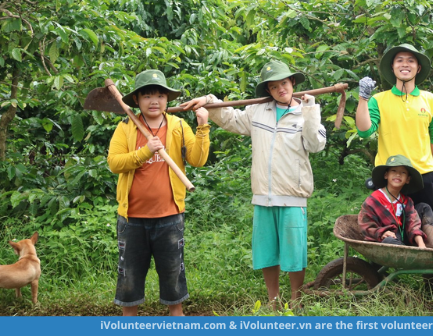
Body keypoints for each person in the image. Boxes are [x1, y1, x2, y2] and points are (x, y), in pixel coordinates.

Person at [180, 60, 326, 308]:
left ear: (292, 84)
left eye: (284, 83)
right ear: (268, 90)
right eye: (274, 86)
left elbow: (316, 145)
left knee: (294, 253)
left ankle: (296, 300)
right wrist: (208, 100)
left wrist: (311, 110)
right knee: (267, 252)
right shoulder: (259, 111)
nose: (280, 89)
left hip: (292, 194)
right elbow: (231, 119)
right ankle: (273, 300)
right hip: (263, 194)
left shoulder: (306, 112)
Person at [107, 69, 210, 316]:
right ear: (137, 101)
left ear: (167, 100)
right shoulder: (126, 128)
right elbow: (114, 163)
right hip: (132, 220)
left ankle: (177, 320)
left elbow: (197, 160)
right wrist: (145, 151)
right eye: (147, 96)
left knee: (174, 279)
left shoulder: (178, 125)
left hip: (170, 217)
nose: (154, 101)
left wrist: (203, 126)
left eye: (160, 96)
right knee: (129, 280)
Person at [356, 44, 433, 250]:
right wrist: (362, 99)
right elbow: (365, 131)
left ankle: (430, 279)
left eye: (411, 60)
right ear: (392, 68)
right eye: (400, 60)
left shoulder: (431, 100)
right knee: (386, 231)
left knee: (427, 228)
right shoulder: (379, 100)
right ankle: (385, 276)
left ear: (418, 68)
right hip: (389, 176)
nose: (405, 64)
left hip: (422, 177)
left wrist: (423, 163)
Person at [358, 155, 428, 248]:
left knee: (424, 207)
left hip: (403, 237)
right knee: (389, 241)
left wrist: (421, 244)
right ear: (386, 175)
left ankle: (432, 243)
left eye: (403, 172)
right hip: (384, 241)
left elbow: (413, 225)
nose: (398, 174)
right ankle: (405, 253)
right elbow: (367, 226)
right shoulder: (373, 200)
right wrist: (382, 232)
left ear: (407, 179)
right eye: (394, 171)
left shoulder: (406, 201)